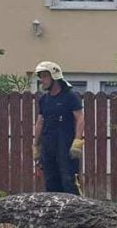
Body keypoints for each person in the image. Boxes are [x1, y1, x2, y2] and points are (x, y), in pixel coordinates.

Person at [33, 61, 84, 194]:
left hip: (65, 145)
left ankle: (75, 212)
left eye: (44, 76)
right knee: (50, 181)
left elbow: (80, 119)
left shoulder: (70, 97)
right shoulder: (44, 99)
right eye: (40, 77)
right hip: (48, 145)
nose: (42, 80)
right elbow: (40, 122)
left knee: (68, 181)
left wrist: (77, 142)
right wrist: (35, 145)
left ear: (54, 77)